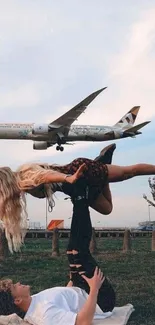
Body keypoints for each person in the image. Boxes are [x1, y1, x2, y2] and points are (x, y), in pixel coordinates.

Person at [0, 180, 115, 325]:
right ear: (17, 300)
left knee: (71, 251)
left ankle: (78, 196)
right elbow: (83, 322)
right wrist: (94, 289)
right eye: (15, 287)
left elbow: (61, 300)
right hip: (101, 300)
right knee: (79, 252)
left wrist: (71, 281)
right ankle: (79, 195)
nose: (18, 283)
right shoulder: (45, 315)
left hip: (78, 287)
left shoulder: (32, 302)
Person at [1, 145, 155, 252]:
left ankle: (102, 164)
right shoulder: (22, 185)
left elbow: (46, 176)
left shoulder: (24, 177)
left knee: (128, 172)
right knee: (107, 209)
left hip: (81, 173)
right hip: (79, 186)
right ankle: (102, 163)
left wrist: (68, 178)